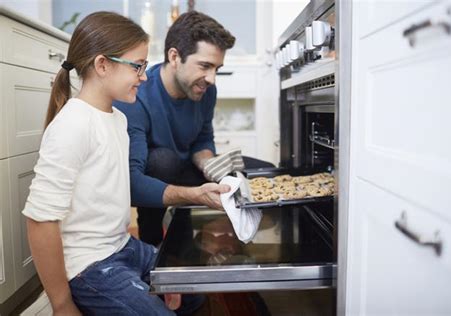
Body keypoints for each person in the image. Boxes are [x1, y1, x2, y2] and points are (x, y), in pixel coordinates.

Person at [22, 11, 215, 316]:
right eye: (138, 66)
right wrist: (61, 303)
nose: (144, 76)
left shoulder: (119, 118)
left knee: (193, 293)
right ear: (102, 65)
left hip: (122, 246)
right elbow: (39, 221)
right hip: (90, 265)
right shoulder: (72, 125)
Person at [114, 10, 274, 247]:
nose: (211, 79)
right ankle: (156, 243)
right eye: (205, 66)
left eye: (216, 69)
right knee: (162, 160)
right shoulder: (137, 97)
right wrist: (194, 195)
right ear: (175, 56)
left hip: (187, 168)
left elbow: (202, 139)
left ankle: (223, 238)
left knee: (266, 172)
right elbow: (132, 183)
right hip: (156, 179)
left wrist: (207, 163)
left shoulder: (206, 90)